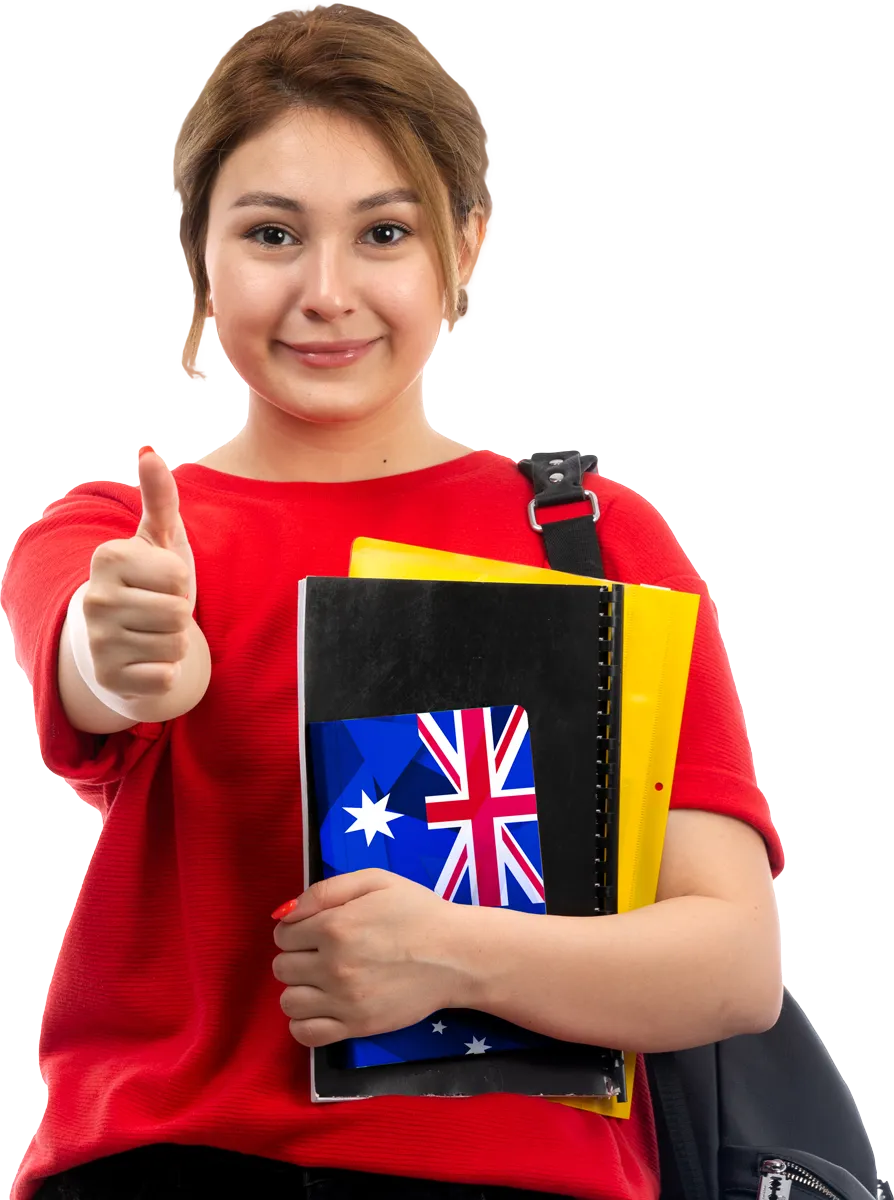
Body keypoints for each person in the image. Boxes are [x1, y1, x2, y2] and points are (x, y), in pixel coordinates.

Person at [1, 6, 785, 1198]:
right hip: (176, 1165)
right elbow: (100, 671)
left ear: (466, 248)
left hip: (524, 1183)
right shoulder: (116, 534)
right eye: (271, 233)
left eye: (383, 232)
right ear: (198, 259)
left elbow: (731, 966)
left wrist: (449, 955)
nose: (326, 292)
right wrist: (130, 650)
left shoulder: (586, 538)